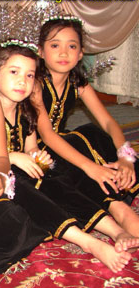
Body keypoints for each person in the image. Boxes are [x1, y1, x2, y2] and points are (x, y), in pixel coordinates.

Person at [0, 40, 138, 271]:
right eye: (14, 72)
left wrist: (37, 156)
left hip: (23, 168)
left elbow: (32, 146)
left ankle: (116, 229)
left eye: (29, 76)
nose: (23, 81)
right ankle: (89, 242)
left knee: (56, 175)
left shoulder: (26, 110)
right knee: (27, 186)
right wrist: (14, 156)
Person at [32, 15, 139, 238]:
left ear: (81, 54)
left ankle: (122, 181)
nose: (63, 53)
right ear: (40, 51)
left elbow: (109, 122)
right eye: (55, 45)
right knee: (75, 150)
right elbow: (47, 135)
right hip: (38, 150)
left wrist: (126, 157)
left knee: (94, 133)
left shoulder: (77, 82)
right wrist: (91, 167)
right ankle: (118, 209)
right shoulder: (34, 84)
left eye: (72, 46)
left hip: (65, 141)